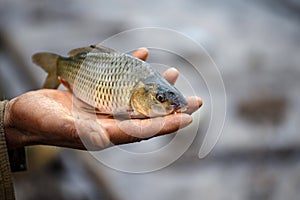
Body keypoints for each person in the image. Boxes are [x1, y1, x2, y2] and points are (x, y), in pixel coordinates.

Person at [0, 48, 202, 199]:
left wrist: (8, 121)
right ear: (143, 92)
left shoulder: (145, 81)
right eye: (159, 98)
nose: (164, 103)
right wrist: (10, 120)